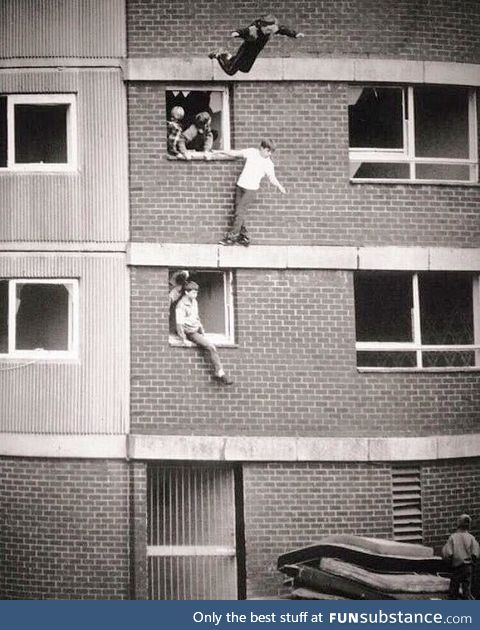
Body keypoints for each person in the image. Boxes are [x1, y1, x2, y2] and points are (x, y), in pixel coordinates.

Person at [218, 139, 286, 246]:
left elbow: (272, 178)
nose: (269, 154)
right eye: (268, 151)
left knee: (239, 212)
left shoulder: (268, 164)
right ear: (262, 148)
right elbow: (235, 153)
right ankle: (244, 236)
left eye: (271, 152)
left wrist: (279, 186)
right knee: (239, 212)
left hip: (251, 190)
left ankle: (232, 237)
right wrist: (219, 152)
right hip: (240, 186)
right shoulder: (252, 152)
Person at [175, 281, 233, 385]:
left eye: (196, 293)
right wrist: (183, 339)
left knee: (210, 343)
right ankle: (219, 372)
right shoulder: (181, 305)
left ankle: (219, 371)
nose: (195, 295)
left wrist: (201, 328)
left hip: (196, 329)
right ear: (186, 292)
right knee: (211, 347)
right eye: (193, 293)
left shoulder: (194, 302)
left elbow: (196, 317)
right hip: (190, 332)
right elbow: (179, 324)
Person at [209, 14, 304, 76]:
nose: (268, 32)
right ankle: (219, 55)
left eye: (271, 30)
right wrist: (237, 33)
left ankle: (228, 56)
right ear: (262, 26)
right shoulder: (254, 29)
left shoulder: (273, 28)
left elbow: (283, 30)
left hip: (254, 52)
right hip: (246, 50)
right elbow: (244, 31)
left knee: (245, 69)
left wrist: (295, 34)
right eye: (267, 30)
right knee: (231, 71)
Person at [442, 514, 479, 599]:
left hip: (457, 567)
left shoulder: (453, 538)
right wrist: (472, 562)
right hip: (468, 567)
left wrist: (449, 563)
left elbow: (447, 554)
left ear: (458, 524)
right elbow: (475, 553)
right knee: (467, 590)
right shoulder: (471, 538)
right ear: (469, 526)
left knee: (454, 590)